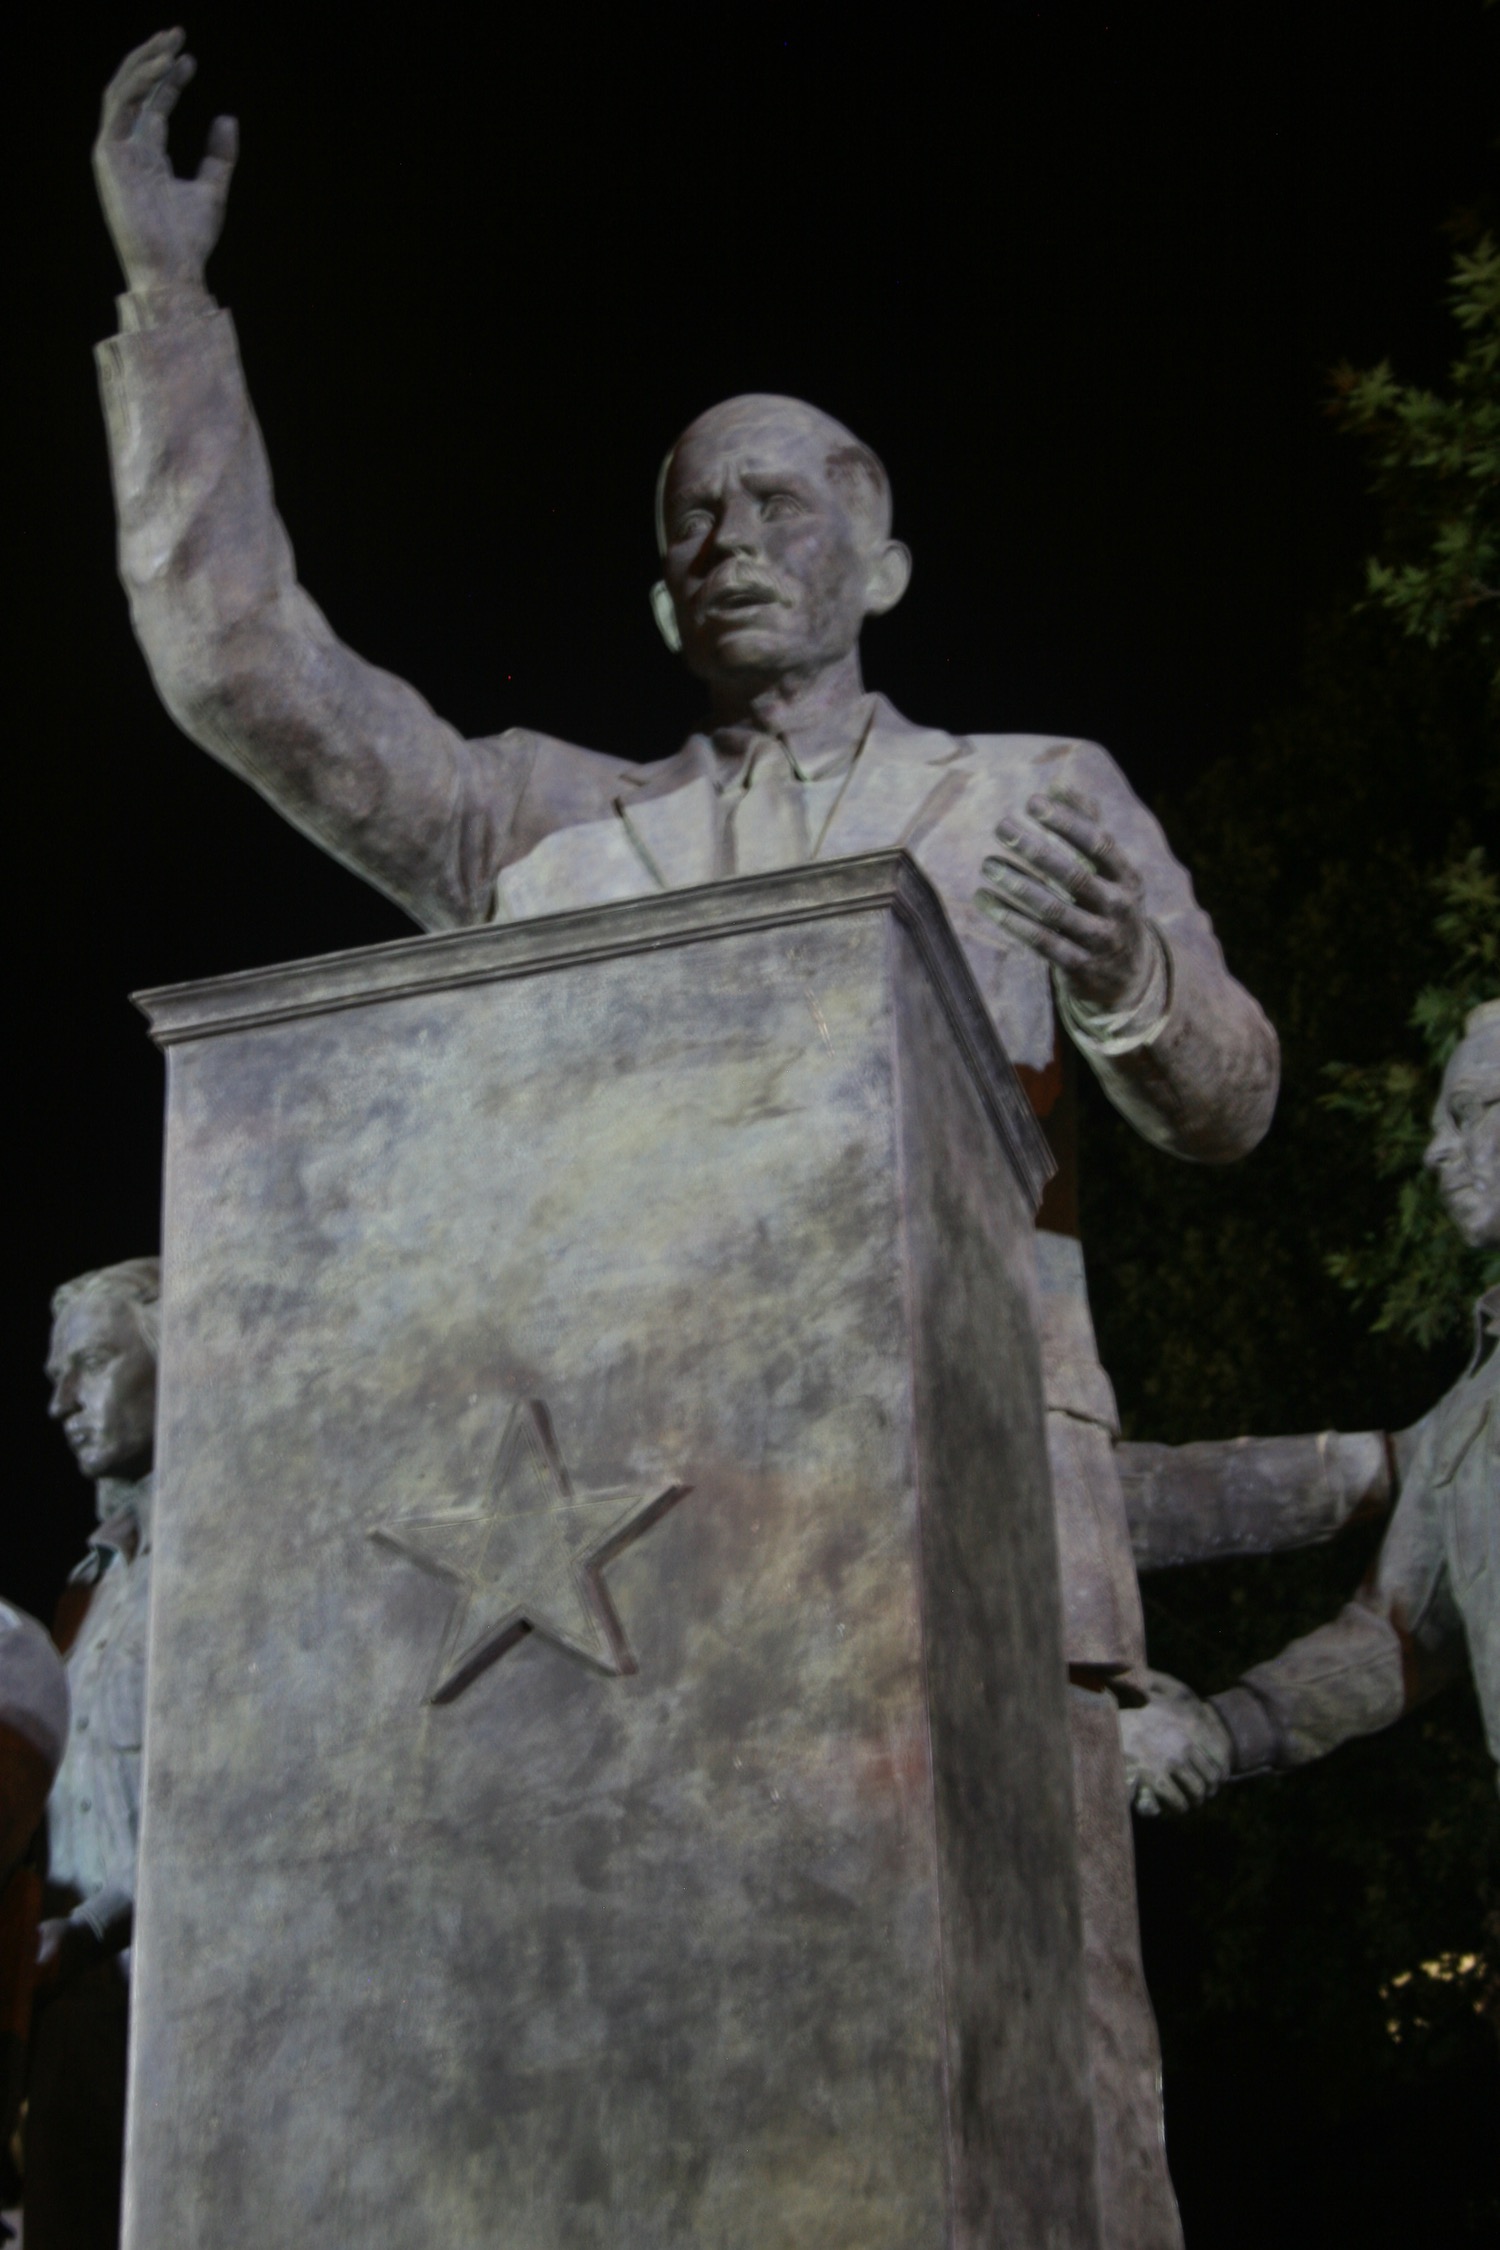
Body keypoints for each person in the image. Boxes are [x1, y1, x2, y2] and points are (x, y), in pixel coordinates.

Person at [89, 33, 1282, 2244]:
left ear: (888, 557)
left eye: (786, 498)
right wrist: (172, 315)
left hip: (986, 1520)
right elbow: (245, 670)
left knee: (1056, 2104)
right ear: (658, 599)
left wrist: (1130, 977)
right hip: (665, 1556)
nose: (738, 538)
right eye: (695, 519)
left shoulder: (1031, 793)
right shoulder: (547, 833)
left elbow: (1227, 1101)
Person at [1120, 1000, 1499, 1814]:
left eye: (1468, 1112)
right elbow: (1398, 1637)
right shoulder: (1472, 1416)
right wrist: (1223, 1731)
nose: (1437, 1151)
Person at [24, 1260, 160, 2250]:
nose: (64, 1401)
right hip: (72, 2003)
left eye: (96, 1363)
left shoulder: (220, 1566)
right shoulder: (95, 1581)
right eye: (56, 1375)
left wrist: (93, 1926)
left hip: (166, 2005)